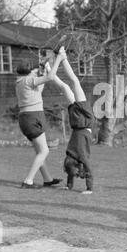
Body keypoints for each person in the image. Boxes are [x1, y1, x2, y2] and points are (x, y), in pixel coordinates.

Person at [15, 47, 66, 189]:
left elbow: (40, 88)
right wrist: (58, 60)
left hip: (28, 118)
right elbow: (49, 78)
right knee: (44, 151)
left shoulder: (21, 80)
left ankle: (48, 179)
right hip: (32, 118)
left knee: (40, 151)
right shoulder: (29, 80)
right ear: (30, 71)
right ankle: (28, 181)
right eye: (34, 69)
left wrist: (42, 68)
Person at [57, 49, 94, 194]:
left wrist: (69, 186)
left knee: (66, 87)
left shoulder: (70, 156)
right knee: (74, 82)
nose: (64, 166)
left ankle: (49, 68)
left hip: (77, 123)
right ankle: (62, 57)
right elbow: (89, 171)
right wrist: (89, 189)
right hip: (85, 119)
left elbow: (70, 171)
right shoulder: (81, 157)